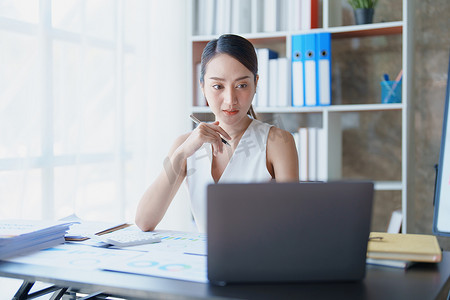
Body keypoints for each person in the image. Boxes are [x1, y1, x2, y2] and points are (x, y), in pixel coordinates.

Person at [135, 34, 299, 232]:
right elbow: (144, 221)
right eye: (217, 86)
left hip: (260, 259)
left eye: (241, 85)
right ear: (203, 87)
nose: (230, 100)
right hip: (203, 260)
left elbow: (292, 225)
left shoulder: (277, 142)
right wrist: (181, 154)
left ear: (256, 83)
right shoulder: (185, 144)